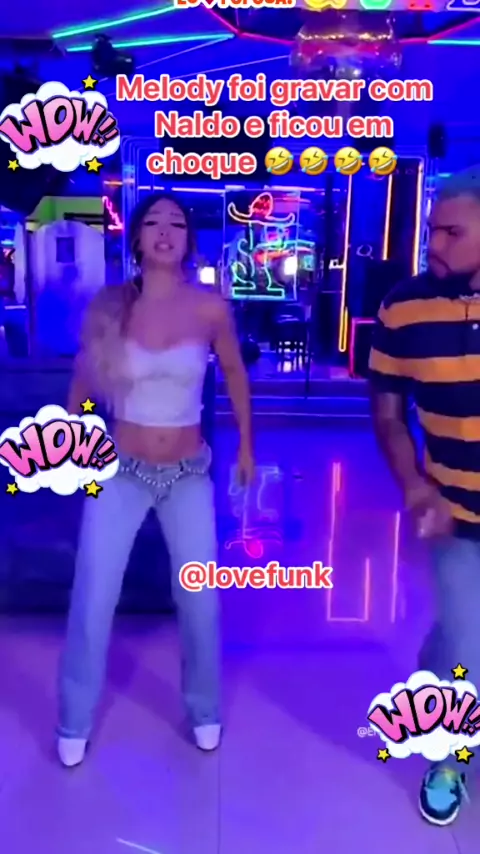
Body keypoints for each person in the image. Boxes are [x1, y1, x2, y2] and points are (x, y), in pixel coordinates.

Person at [57, 192, 254, 767]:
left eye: (176, 223)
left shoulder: (210, 308)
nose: (165, 231)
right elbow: (81, 381)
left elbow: (235, 374)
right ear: (137, 237)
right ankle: (73, 719)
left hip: (188, 474)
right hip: (121, 472)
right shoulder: (111, 307)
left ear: (189, 239)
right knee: (93, 595)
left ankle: (205, 709)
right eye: (153, 222)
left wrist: (247, 444)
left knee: (199, 601)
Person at [369, 166, 480, 827]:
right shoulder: (403, 306)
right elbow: (387, 413)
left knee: (461, 639)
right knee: (471, 646)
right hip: (454, 509)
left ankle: (438, 667)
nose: (433, 243)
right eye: (433, 229)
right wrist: (414, 485)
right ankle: (446, 760)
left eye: (451, 232)